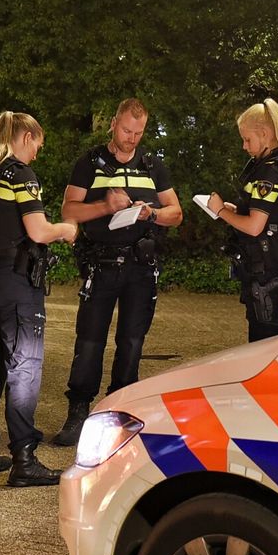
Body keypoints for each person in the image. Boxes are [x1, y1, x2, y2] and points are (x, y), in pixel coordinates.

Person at [51, 98, 182, 447]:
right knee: (90, 340)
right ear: (113, 124)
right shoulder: (90, 163)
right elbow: (68, 210)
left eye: (138, 132)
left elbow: (176, 212)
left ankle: (121, 415)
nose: (132, 138)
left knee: (132, 342)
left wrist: (150, 214)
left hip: (141, 265)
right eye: (126, 130)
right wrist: (105, 206)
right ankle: (78, 413)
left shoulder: (153, 165)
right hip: (102, 262)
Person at [0, 111, 77, 487]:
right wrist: (67, 230)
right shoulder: (19, 175)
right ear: (25, 137)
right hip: (13, 280)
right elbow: (39, 231)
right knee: (24, 367)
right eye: (37, 146)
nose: (36, 156)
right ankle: (24, 460)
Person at [206, 99, 278, 341]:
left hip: (266, 271)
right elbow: (270, 213)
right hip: (277, 264)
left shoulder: (270, 170)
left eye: (247, 139)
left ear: (265, 133)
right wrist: (235, 210)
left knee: (263, 341)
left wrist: (220, 211)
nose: (243, 146)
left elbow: (254, 225)